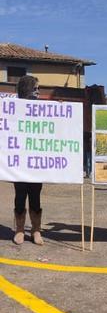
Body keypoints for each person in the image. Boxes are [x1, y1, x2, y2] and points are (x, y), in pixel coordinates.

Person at [11, 75, 45, 245]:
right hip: (19, 163)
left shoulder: (43, 109)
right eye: (35, 88)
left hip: (36, 164)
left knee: (35, 197)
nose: (38, 92)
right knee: (19, 196)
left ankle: (36, 230)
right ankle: (19, 230)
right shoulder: (13, 109)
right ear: (26, 89)